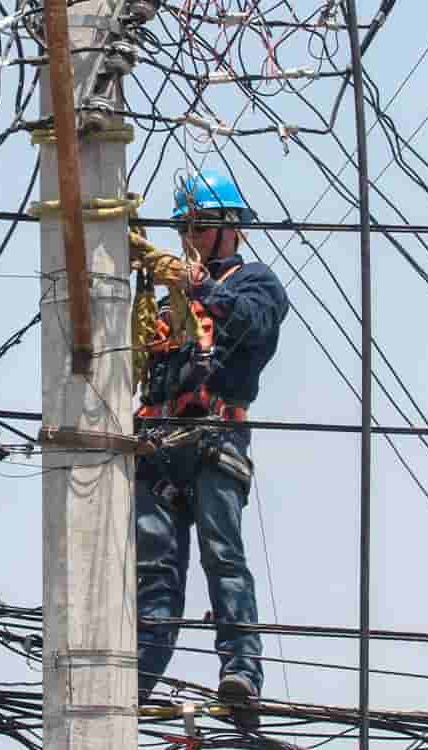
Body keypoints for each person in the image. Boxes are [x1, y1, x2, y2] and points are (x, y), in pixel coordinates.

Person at [130, 170, 289, 726]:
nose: (189, 235)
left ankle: (241, 672)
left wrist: (198, 286)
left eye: (198, 225)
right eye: (185, 227)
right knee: (155, 572)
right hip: (155, 446)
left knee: (223, 559)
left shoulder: (257, 283)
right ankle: (135, 679)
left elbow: (250, 324)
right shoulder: (168, 296)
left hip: (215, 439)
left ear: (228, 227)